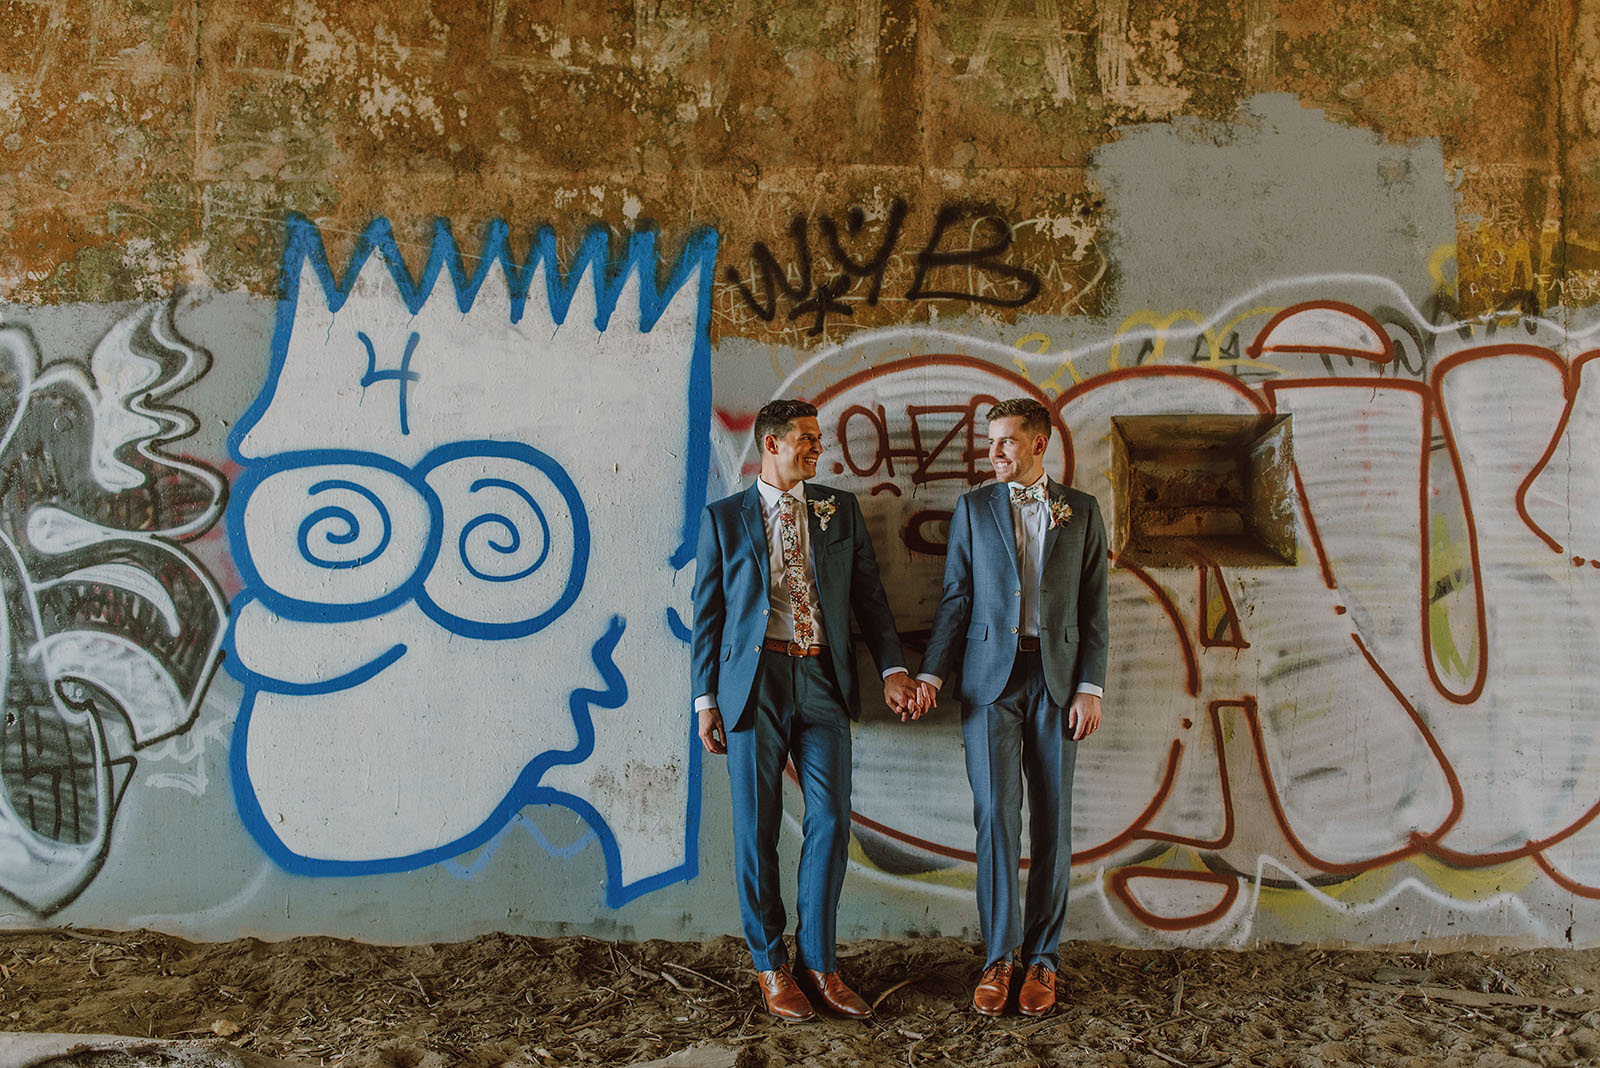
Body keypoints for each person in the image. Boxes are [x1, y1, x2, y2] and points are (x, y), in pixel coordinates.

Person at [692, 399, 921, 1022]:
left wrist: (893, 668)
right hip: (754, 681)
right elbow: (707, 617)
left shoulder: (837, 509)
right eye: (807, 440)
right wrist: (705, 700)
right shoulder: (723, 519)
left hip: (823, 677)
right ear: (771, 444)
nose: (818, 450)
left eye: (818, 440)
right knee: (757, 829)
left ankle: (818, 962)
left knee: (830, 821)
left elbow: (870, 596)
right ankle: (771, 966)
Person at [910, 397, 1108, 1017]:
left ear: (1039, 445)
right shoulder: (973, 508)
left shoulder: (1082, 511)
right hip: (987, 683)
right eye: (989, 442)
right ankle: (999, 955)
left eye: (1006, 442)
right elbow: (955, 600)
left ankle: (1043, 962)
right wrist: (931, 675)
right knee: (995, 817)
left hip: (1058, 681)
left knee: (1052, 824)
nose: (993, 453)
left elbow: (1095, 608)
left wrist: (1091, 687)